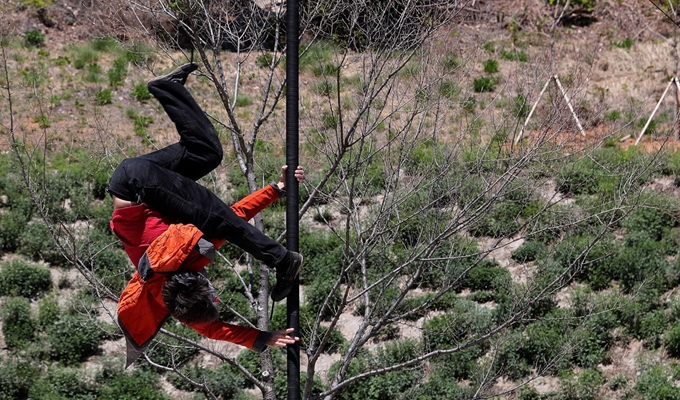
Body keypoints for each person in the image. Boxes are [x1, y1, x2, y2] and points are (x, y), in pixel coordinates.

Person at [108, 62, 303, 366]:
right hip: (137, 181)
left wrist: (205, 247)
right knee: (206, 152)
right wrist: (276, 190)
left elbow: (215, 224)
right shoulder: (181, 291)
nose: (210, 283)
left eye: (210, 290)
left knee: (216, 220)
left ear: (195, 281)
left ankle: (282, 260)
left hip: (137, 184)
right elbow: (232, 218)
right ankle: (168, 87)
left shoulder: (167, 261)